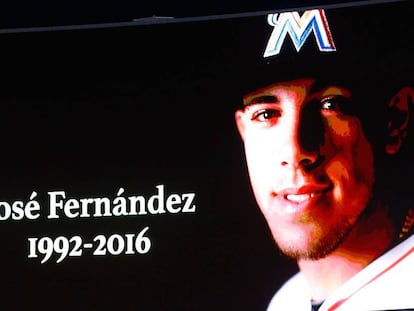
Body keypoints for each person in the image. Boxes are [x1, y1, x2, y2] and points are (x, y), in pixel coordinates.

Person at [233, 3, 413, 311]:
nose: (296, 151)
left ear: (395, 121)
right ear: (243, 131)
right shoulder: (286, 301)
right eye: (266, 113)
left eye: (331, 105)